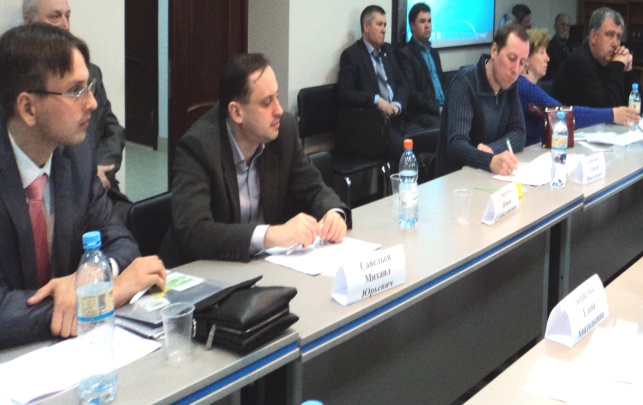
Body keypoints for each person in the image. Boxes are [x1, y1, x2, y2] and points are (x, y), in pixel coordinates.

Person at [0, 23, 166, 350]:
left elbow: (120, 242)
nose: (91, 102)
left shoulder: (77, 154)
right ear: (28, 108)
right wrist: (104, 295)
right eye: (76, 90)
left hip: (68, 349)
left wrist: (88, 279)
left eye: (89, 86)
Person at [159, 53, 349, 266]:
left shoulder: (283, 131)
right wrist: (271, 235)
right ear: (236, 112)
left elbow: (314, 188)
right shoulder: (198, 146)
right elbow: (194, 233)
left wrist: (333, 213)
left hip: (260, 265)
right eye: (266, 102)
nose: (279, 110)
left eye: (277, 97)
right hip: (202, 270)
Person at [23, 0, 131, 221]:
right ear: (29, 22)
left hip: (102, 187)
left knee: (140, 222)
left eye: (68, 16)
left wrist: (99, 165)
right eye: (55, 17)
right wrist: (86, 171)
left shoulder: (89, 72)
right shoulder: (20, 82)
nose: (66, 25)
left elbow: (113, 129)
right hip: (57, 194)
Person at [433, 23, 528, 178]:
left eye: (522, 63)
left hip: (487, 176)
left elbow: (519, 132)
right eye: (512, 59)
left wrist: (491, 150)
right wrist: (489, 160)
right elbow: (456, 144)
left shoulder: (510, 84)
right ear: (494, 50)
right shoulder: (465, 82)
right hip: (455, 178)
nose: (516, 69)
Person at [518, 29, 639, 146]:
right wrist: (612, 114)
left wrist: (627, 71)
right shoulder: (524, 87)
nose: (547, 58)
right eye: (541, 52)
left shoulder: (528, 85)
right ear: (526, 59)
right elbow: (565, 114)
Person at [337, 5, 410, 163]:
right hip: (371, 125)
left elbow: (403, 82)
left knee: (428, 137)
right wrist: (377, 101)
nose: (384, 30)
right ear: (366, 26)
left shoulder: (388, 50)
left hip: (397, 118)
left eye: (385, 25)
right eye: (379, 24)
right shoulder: (352, 55)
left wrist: (397, 104)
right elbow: (345, 94)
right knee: (405, 149)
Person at [552, 7, 635, 108]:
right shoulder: (580, 62)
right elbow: (607, 110)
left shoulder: (606, 60)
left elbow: (636, 104)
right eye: (610, 35)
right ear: (593, 36)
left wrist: (628, 71)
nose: (615, 43)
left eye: (618, 37)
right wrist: (618, 66)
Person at [395, 2, 445, 151]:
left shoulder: (434, 53)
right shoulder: (406, 54)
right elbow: (412, 94)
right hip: (421, 113)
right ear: (412, 25)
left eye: (429, 21)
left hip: (443, 108)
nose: (427, 25)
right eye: (422, 21)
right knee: (445, 128)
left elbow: (442, 84)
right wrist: (438, 109)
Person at [544, 13, 573, 80]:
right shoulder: (548, 47)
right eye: (562, 25)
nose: (565, 28)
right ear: (555, 27)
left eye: (568, 26)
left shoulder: (571, 47)